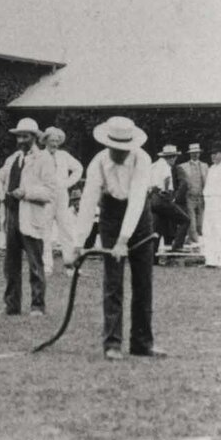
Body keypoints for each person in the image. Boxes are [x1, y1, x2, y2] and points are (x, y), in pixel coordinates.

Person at [73, 116, 164, 360]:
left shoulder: (142, 160)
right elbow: (88, 202)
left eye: (125, 150)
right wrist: (78, 244)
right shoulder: (98, 163)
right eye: (116, 149)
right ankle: (112, 344)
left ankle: (142, 343)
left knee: (143, 282)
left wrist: (124, 241)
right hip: (110, 217)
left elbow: (136, 200)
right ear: (108, 145)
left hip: (140, 219)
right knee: (113, 283)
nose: (120, 154)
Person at [0, 118, 57, 316]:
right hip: (13, 214)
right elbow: (1, 177)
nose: (20, 140)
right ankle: (12, 305)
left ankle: (37, 305)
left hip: (31, 215)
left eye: (25, 136)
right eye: (18, 136)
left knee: (35, 263)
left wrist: (26, 192)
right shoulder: (14, 158)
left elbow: (50, 192)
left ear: (34, 137)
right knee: (11, 265)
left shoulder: (44, 159)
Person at [41, 127, 83, 274]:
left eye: (57, 141)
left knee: (66, 229)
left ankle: (69, 265)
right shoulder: (39, 156)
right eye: (52, 140)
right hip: (45, 197)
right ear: (45, 141)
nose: (54, 143)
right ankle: (46, 266)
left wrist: (68, 183)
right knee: (45, 230)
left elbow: (78, 168)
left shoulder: (64, 155)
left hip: (61, 196)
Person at [149, 144, 190, 259]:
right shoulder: (165, 166)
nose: (174, 160)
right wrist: (167, 192)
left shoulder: (154, 165)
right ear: (171, 157)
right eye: (174, 157)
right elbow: (167, 178)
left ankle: (153, 256)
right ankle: (177, 246)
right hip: (163, 198)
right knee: (185, 220)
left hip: (153, 198)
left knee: (158, 227)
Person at [177, 143, 208, 245]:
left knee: (201, 221)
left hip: (201, 196)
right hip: (190, 196)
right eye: (193, 153)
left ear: (199, 153)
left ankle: (194, 239)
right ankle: (195, 241)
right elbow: (182, 184)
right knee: (192, 221)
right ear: (190, 154)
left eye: (197, 153)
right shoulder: (183, 167)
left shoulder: (204, 166)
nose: (195, 155)